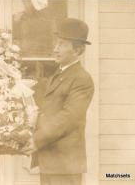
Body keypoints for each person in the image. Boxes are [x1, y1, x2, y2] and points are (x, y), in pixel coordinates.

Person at [26, 18, 95, 185]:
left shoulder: (81, 79)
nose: (55, 49)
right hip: (51, 160)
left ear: (78, 51)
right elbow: (49, 110)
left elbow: (68, 118)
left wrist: (37, 139)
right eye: (56, 44)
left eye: (62, 45)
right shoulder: (60, 74)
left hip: (65, 164)